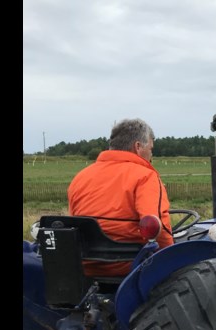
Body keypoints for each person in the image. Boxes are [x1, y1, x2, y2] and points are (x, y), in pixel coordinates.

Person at [67, 118, 174, 276]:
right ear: (138, 147)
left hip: (84, 265)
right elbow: (158, 226)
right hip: (128, 266)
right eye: (151, 149)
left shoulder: (81, 177)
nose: (151, 156)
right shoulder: (145, 176)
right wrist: (172, 257)